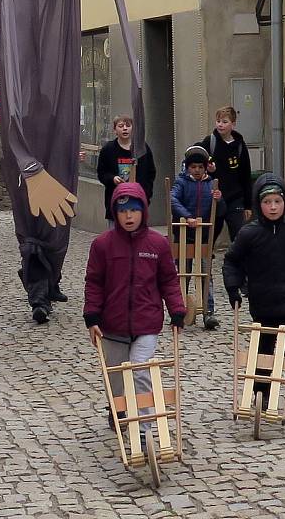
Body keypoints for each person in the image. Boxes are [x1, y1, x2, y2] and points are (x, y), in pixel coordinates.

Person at [84, 182, 185, 431]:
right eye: (123, 211)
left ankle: (145, 425)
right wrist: (92, 317)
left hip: (146, 322)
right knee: (117, 375)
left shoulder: (157, 244)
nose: (129, 216)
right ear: (115, 213)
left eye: (134, 210)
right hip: (112, 324)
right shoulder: (102, 245)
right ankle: (118, 408)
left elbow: (168, 280)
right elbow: (94, 282)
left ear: (143, 211)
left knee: (140, 369)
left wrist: (177, 310)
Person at [223, 175, 285, 418]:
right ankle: (261, 393)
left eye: (277, 201)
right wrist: (233, 289)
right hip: (262, 304)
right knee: (262, 351)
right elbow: (231, 262)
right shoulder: (249, 234)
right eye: (268, 202)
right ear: (259, 205)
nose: (273, 207)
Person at [170, 145, 223, 330]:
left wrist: (218, 199)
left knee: (205, 273)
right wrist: (187, 217)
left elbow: (220, 210)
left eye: (200, 167)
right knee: (182, 274)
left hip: (204, 235)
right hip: (184, 233)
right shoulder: (181, 182)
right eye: (193, 167)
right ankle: (178, 311)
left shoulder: (211, 184)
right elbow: (174, 200)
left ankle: (208, 312)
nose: (197, 170)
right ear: (187, 167)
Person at [200, 106, 253, 245]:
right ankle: (205, 265)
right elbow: (196, 163)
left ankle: (240, 265)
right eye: (218, 121)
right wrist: (209, 170)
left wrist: (248, 205)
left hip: (235, 198)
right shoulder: (209, 142)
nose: (220, 125)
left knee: (239, 237)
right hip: (214, 198)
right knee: (209, 238)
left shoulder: (240, 145)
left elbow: (245, 175)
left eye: (224, 122)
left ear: (233, 124)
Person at [97, 115, 156, 228]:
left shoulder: (142, 148)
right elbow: (101, 173)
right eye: (121, 126)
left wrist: (146, 194)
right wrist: (112, 178)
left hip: (138, 201)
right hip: (116, 202)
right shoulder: (108, 150)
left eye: (128, 126)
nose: (125, 128)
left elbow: (150, 173)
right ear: (115, 130)